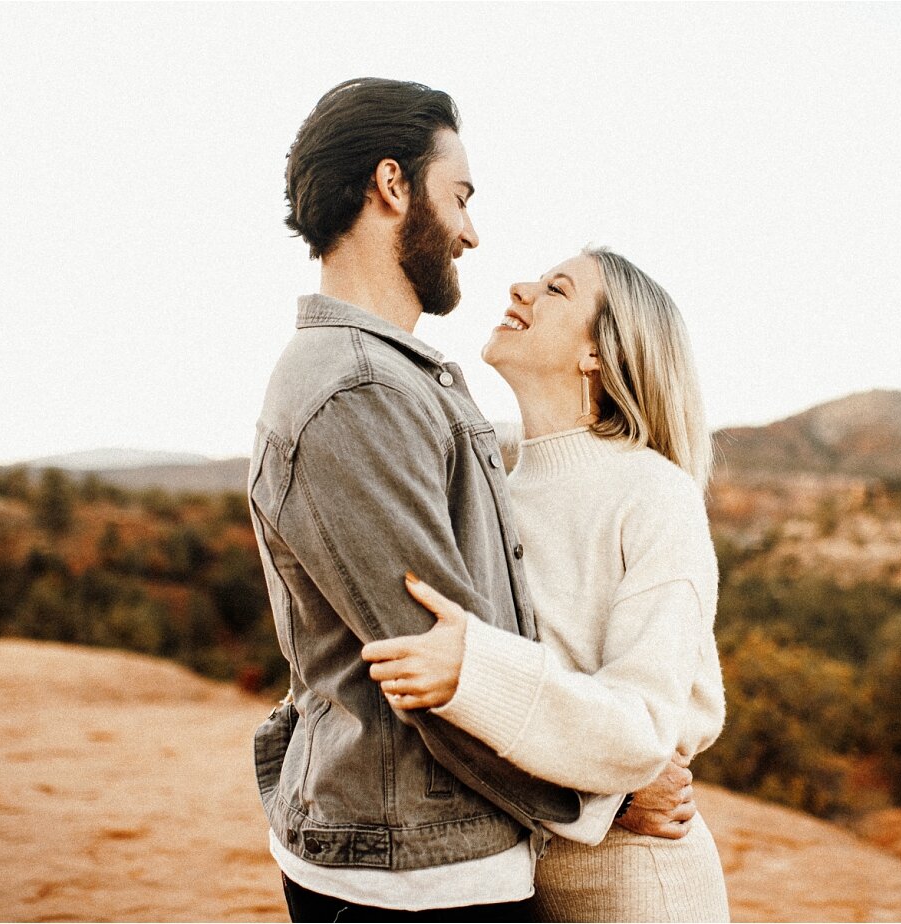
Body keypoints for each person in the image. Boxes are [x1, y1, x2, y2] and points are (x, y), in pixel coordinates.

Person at [249, 78, 696, 922]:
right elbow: (434, 665)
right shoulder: (358, 390)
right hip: (421, 876)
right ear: (392, 186)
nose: (472, 232)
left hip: (446, 859)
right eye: (459, 196)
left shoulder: (407, 383)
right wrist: (601, 799)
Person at [364, 247, 732, 921]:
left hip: (634, 877)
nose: (521, 287)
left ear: (597, 353)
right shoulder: (490, 493)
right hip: (518, 874)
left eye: (556, 289)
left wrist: (474, 672)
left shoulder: (654, 495)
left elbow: (643, 727)